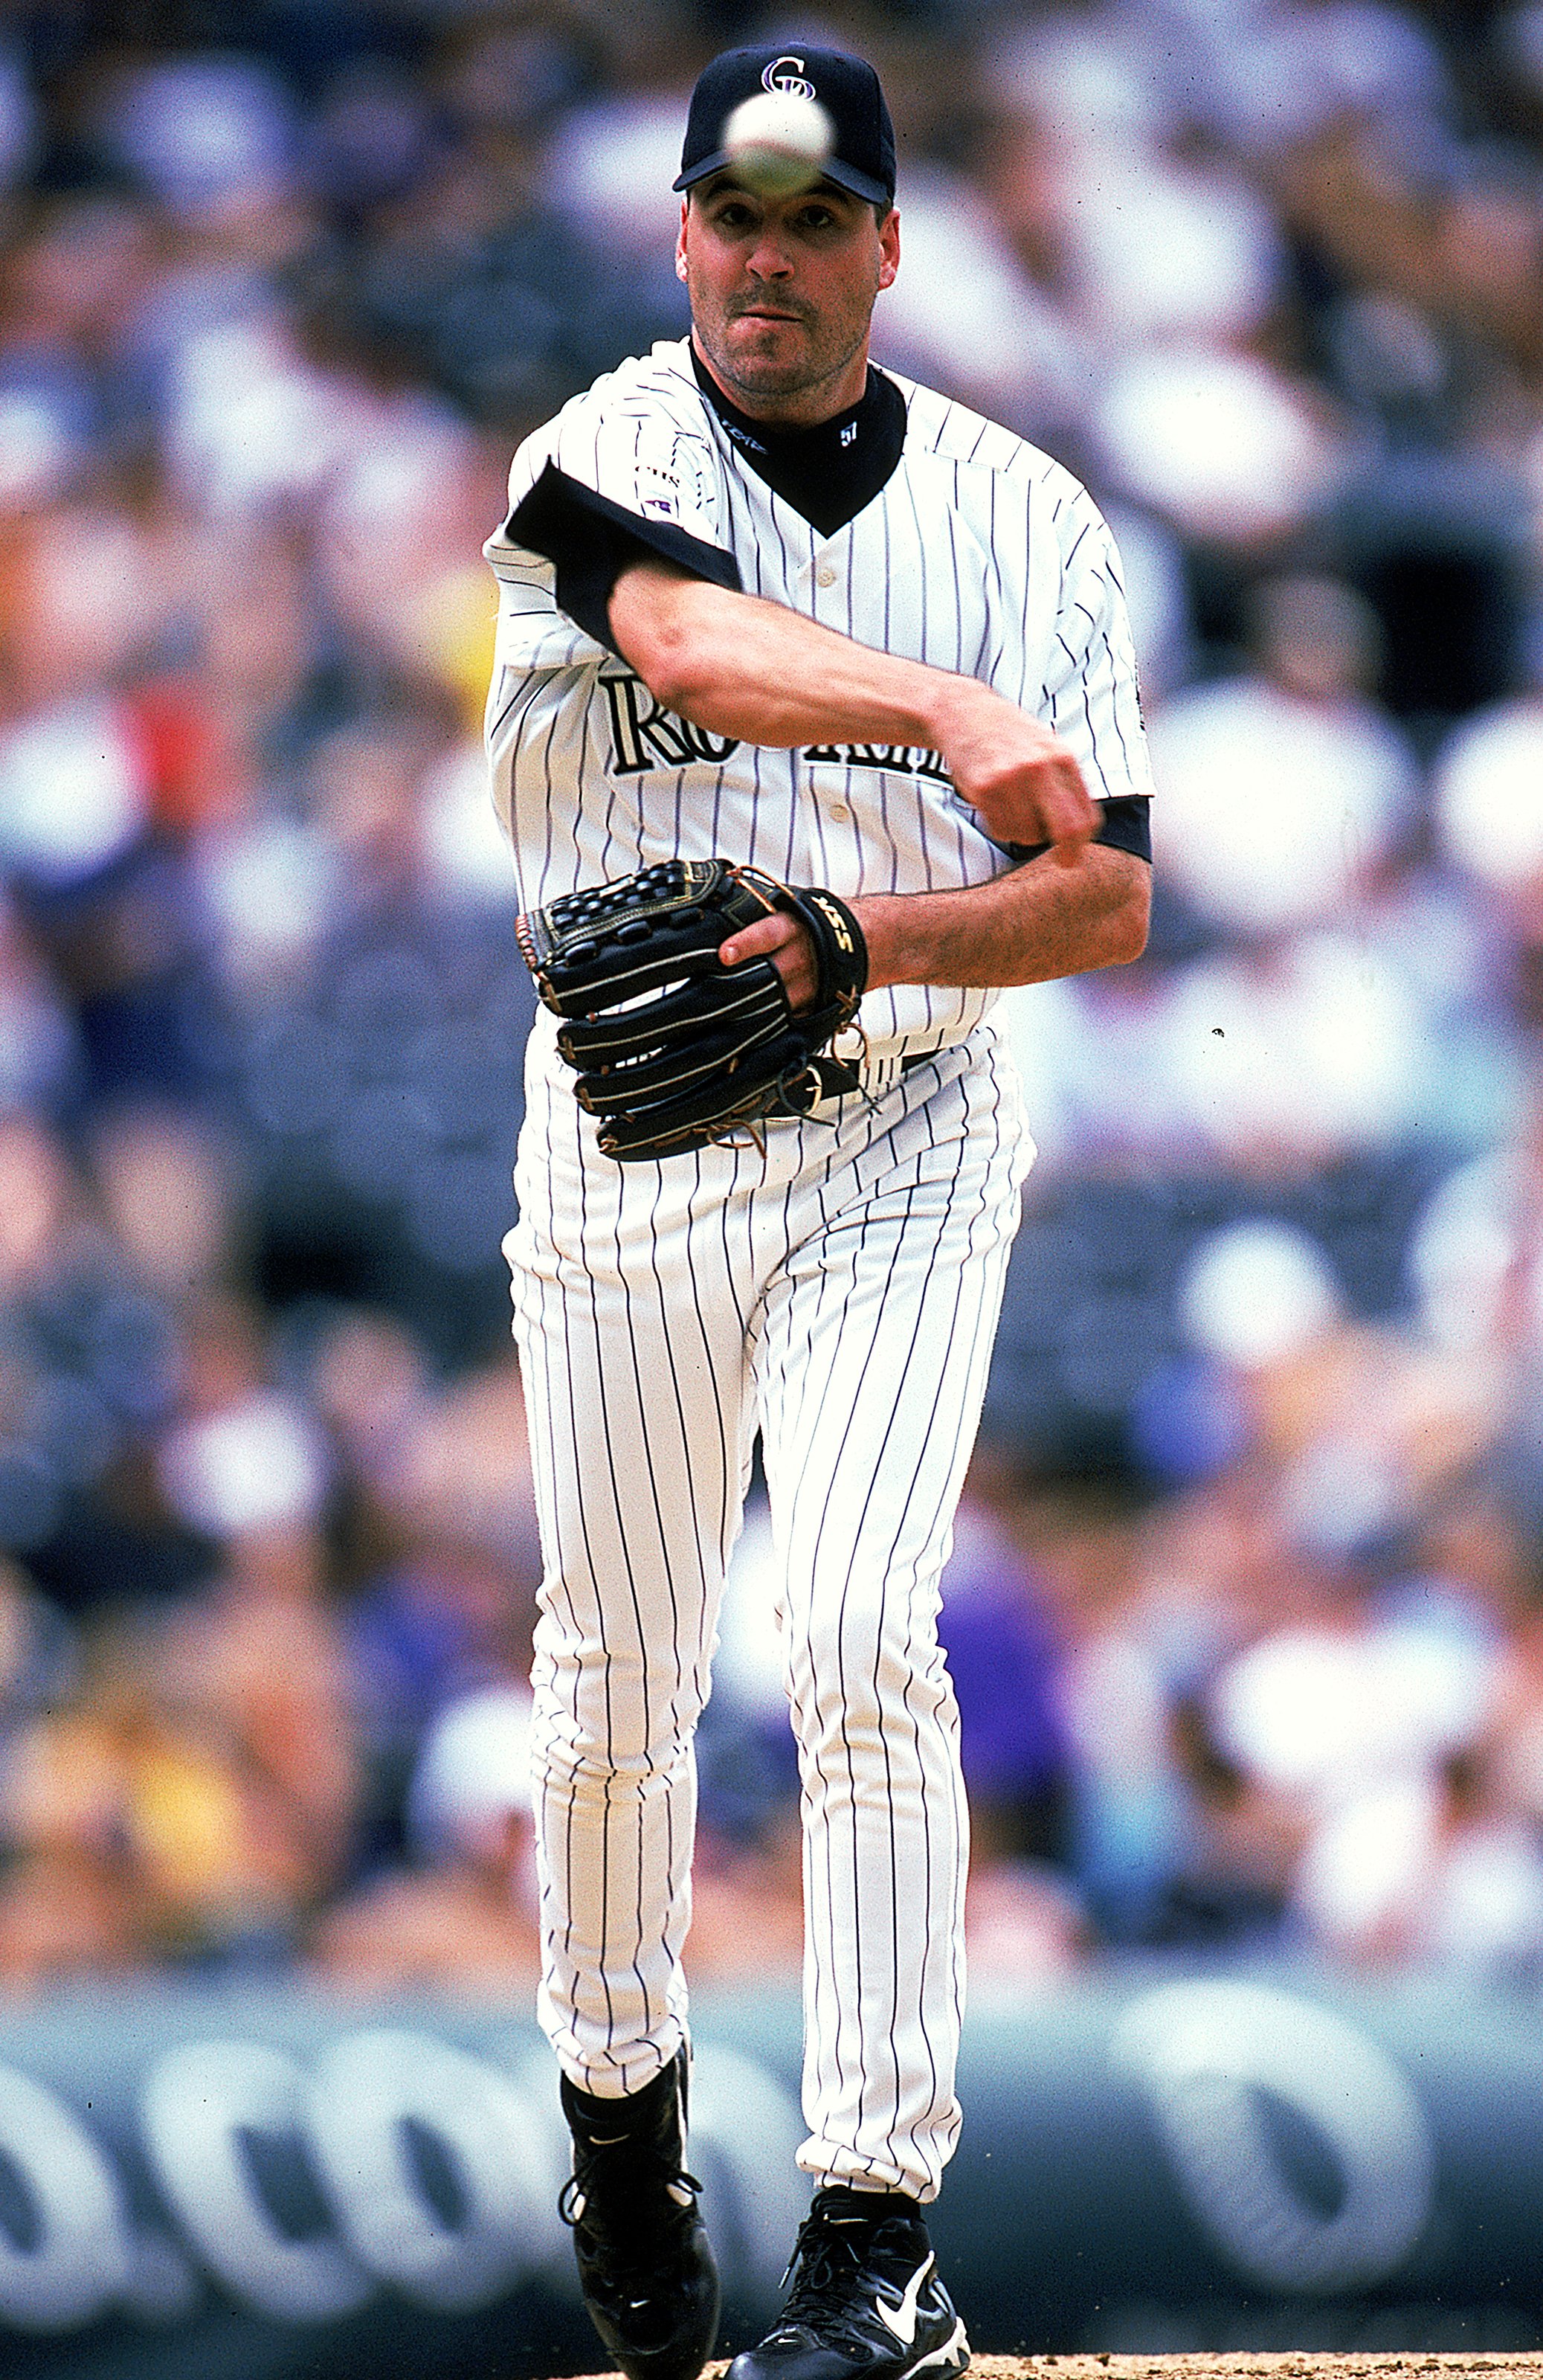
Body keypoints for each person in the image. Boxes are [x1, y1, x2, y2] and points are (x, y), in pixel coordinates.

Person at [483, 43, 1153, 2380]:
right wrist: (941, 716)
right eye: (727, 215)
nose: (763, 258)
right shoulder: (595, 455)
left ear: (888, 244)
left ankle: (877, 2239)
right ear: (682, 236)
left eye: (809, 217)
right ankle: (619, 2124)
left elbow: (1100, 901)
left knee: (864, 1627)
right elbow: (680, 641)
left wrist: (877, 945)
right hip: (632, 1145)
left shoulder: (1029, 513)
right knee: (614, 1691)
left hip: (906, 1118)